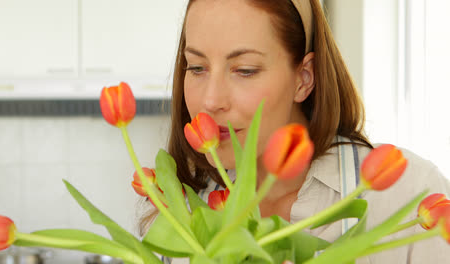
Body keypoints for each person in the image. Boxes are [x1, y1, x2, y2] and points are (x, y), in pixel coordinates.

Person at [137, 0, 450, 263]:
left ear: (303, 77)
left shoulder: (407, 195)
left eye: (245, 70)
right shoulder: (181, 211)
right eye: (196, 67)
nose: (211, 100)